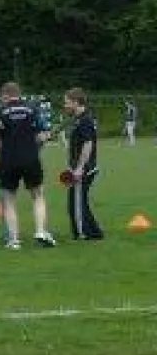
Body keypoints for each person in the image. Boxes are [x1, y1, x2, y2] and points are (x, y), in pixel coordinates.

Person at [0, 83, 57, 250]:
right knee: (38, 196)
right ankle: (40, 231)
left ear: (4, 96)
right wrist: (34, 148)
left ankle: (14, 240)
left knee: (9, 199)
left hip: (8, 160)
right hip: (30, 159)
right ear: (19, 94)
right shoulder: (32, 110)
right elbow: (42, 136)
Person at [63, 88, 103, 241]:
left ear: (75, 102)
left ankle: (83, 233)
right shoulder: (78, 119)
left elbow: (88, 144)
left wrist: (80, 168)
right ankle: (95, 232)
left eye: (67, 102)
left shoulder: (85, 120)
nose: (65, 105)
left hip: (83, 170)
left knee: (76, 204)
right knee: (78, 202)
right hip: (77, 168)